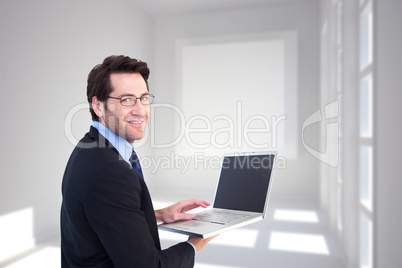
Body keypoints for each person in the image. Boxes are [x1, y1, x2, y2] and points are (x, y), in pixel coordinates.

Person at [60, 55, 216, 267]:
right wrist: (194, 244)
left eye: (143, 98)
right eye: (126, 100)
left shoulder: (88, 147)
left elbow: (103, 216)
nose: (140, 110)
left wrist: (159, 215)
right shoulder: (110, 172)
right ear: (98, 106)